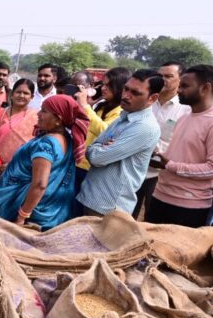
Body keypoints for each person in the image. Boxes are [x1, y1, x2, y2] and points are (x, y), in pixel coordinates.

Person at [0, 95, 89, 229]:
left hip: (28, 212)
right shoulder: (66, 139)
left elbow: (40, 184)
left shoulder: (46, 144)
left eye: (44, 111)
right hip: (52, 211)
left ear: (58, 120)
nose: (38, 114)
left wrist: (21, 217)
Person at [76, 69, 163, 216]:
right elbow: (92, 149)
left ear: (152, 98)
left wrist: (97, 149)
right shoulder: (124, 116)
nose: (126, 96)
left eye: (135, 93)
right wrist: (98, 148)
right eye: (126, 89)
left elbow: (97, 158)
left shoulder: (144, 127)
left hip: (108, 206)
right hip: (93, 198)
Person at [145, 65, 213, 227]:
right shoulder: (185, 117)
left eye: (185, 86)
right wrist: (161, 158)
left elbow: (211, 168)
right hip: (161, 195)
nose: (179, 90)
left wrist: (170, 165)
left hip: (189, 205)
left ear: (206, 88)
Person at [133, 62, 191, 218]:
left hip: (162, 173)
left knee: (153, 219)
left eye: (169, 76)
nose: (163, 80)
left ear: (181, 79)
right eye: (160, 76)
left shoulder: (187, 108)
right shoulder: (146, 101)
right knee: (127, 217)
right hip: (136, 167)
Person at [74, 67, 131, 199]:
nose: (104, 88)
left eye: (109, 85)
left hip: (92, 168)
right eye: (103, 84)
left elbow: (105, 131)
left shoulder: (121, 111)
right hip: (80, 162)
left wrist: (85, 107)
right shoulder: (102, 106)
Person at [0, 78, 38, 208]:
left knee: (13, 207)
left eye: (26, 93)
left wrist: (13, 165)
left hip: (21, 170)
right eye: (18, 92)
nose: (21, 96)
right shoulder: (0, 113)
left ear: (32, 97)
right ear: (12, 94)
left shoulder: (35, 117)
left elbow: (35, 147)